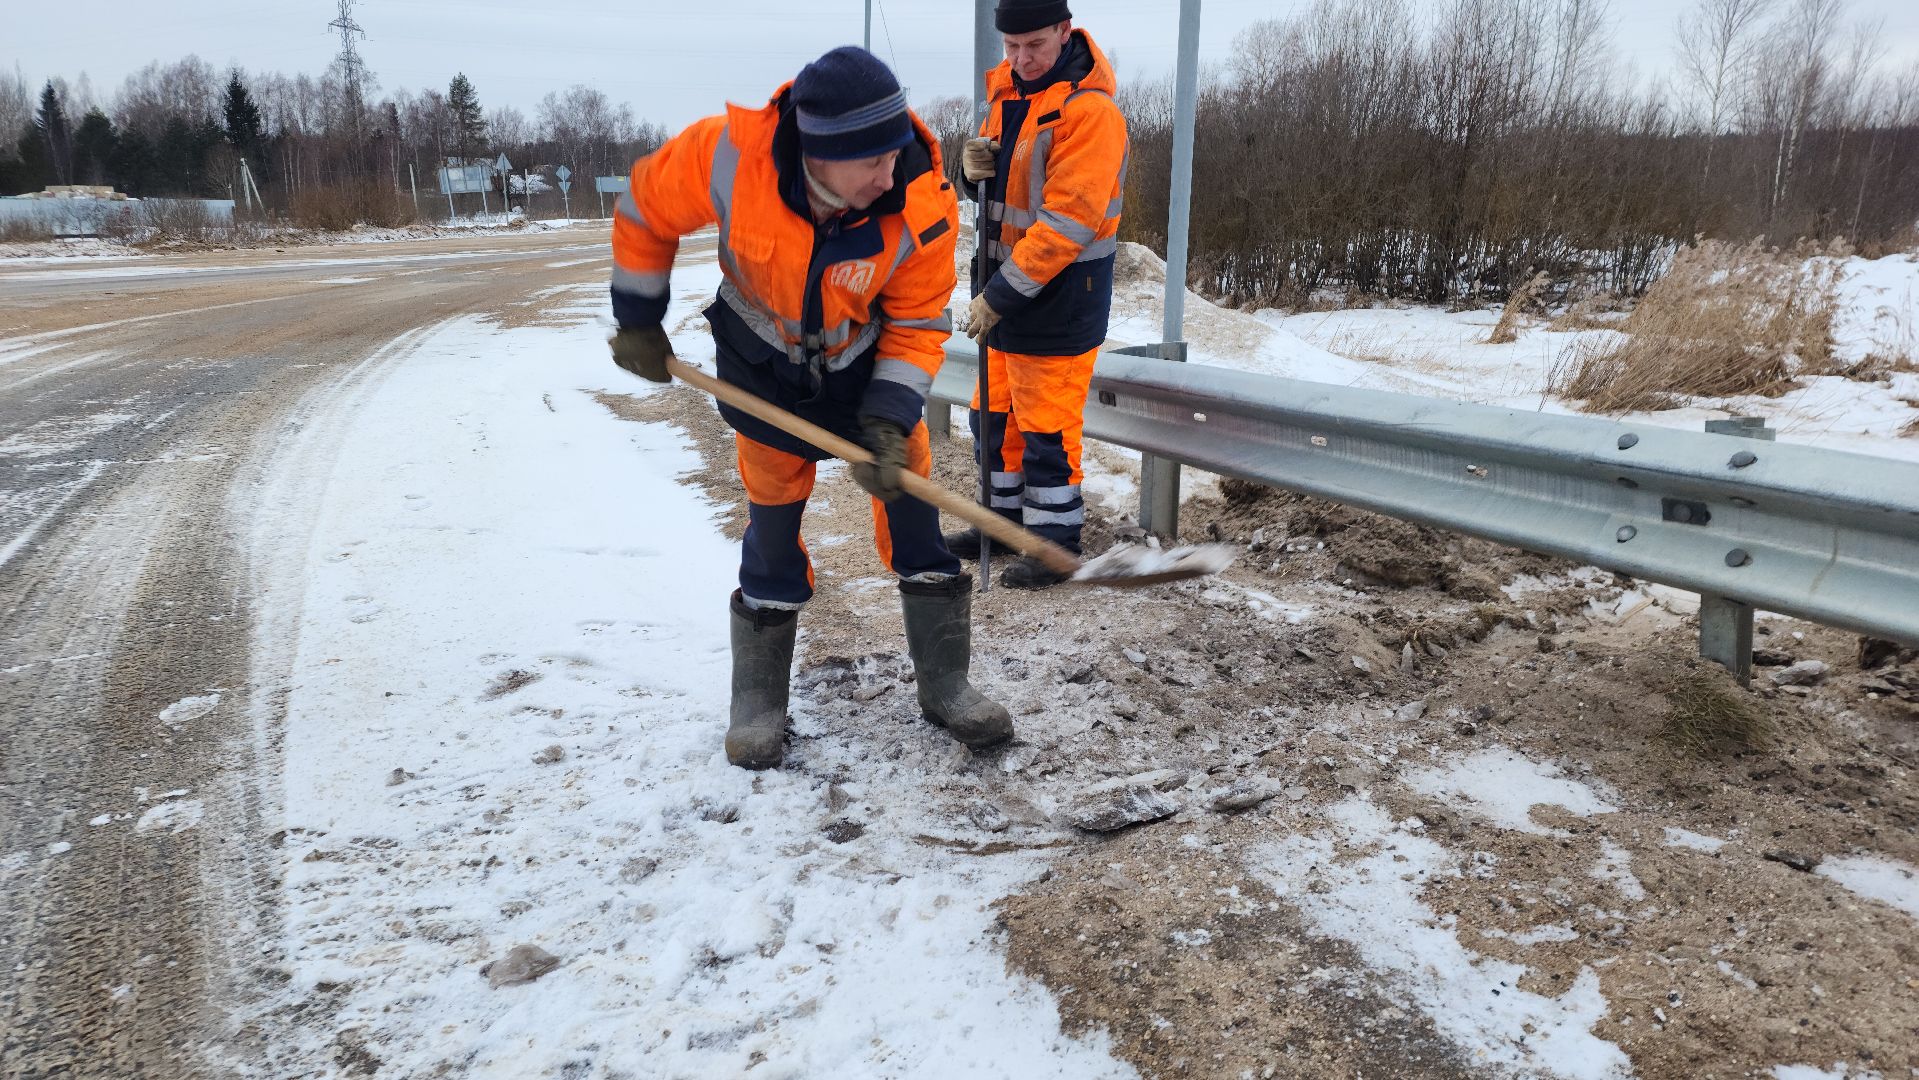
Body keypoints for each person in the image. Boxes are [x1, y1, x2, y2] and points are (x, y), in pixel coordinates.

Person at [607, 46, 1012, 770]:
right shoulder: (730, 154)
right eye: (870, 163)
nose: (889, 173)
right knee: (770, 521)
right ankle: (759, 701)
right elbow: (644, 206)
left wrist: (888, 414)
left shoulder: (916, 198)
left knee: (913, 508)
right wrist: (638, 313)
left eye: (893, 155)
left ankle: (945, 685)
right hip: (760, 369)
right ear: (820, 155)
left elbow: (919, 321)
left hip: (866, 369)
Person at [950, 0, 1128, 590]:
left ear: (1064, 33)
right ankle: (1003, 526)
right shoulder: (1007, 99)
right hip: (1005, 297)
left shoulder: (1091, 113)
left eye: (1035, 46)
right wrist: (968, 174)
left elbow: (1066, 226)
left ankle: (1053, 546)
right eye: (1012, 48)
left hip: (1057, 301)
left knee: (1046, 428)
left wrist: (998, 296)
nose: (1022, 59)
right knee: (993, 418)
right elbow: (1003, 197)